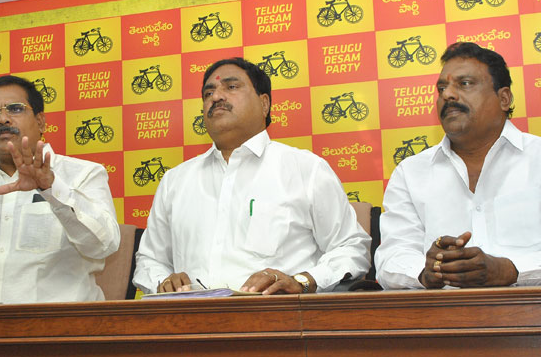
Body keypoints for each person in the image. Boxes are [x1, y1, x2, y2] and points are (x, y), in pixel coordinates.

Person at [133, 58, 371, 295]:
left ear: (264, 103)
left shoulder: (305, 169)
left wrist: (303, 281)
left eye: (231, 87)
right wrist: (163, 281)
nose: (216, 97)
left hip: (278, 314)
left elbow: (351, 248)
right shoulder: (176, 181)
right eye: (208, 93)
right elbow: (149, 259)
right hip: (191, 315)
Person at [375, 42, 541, 289]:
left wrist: (511, 270)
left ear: (504, 98)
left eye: (465, 84)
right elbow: (392, 257)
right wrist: (426, 273)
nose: (447, 95)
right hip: (443, 312)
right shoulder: (410, 173)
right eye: (442, 88)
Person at [0, 75, 120, 304]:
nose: (2, 119)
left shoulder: (82, 174)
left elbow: (104, 246)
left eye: (15, 109)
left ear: (41, 122)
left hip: (57, 323)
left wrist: (51, 189)